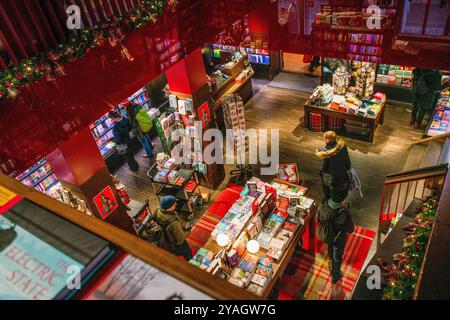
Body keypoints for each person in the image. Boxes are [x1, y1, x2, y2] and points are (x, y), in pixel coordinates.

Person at [318, 188, 354, 284]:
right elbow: (350, 229)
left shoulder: (323, 204)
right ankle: (336, 275)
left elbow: (318, 218)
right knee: (337, 256)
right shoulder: (342, 211)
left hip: (326, 234)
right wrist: (347, 210)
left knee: (330, 246)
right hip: (338, 238)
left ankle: (330, 258)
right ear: (342, 199)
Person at [315, 131, 351, 201]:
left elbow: (323, 167)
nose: (323, 140)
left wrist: (321, 172)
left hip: (332, 177)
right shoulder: (343, 147)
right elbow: (347, 160)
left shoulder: (326, 152)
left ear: (327, 140)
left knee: (325, 184)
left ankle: (327, 199)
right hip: (342, 174)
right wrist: (348, 168)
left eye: (324, 138)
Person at [155, 196, 193, 261]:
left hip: (164, 242)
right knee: (187, 253)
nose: (176, 204)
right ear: (169, 207)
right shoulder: (174, 223)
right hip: (176, 245)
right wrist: (188, 232)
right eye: (174, 203)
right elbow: (180, 239)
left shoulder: (157, 211)